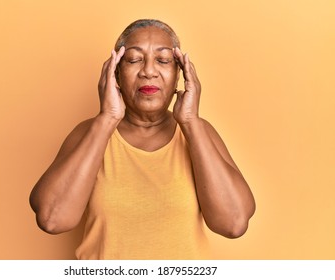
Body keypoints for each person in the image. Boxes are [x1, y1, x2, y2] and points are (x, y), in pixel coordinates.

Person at [29, 19, 255, 260]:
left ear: (179, 73)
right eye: (134, 60)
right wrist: (107, 119)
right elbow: (52, 219)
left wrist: (190, 121)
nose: (148, 71)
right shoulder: (90, 133)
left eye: (163, 60)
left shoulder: (199, 133)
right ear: (115, 72)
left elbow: (234, 223)